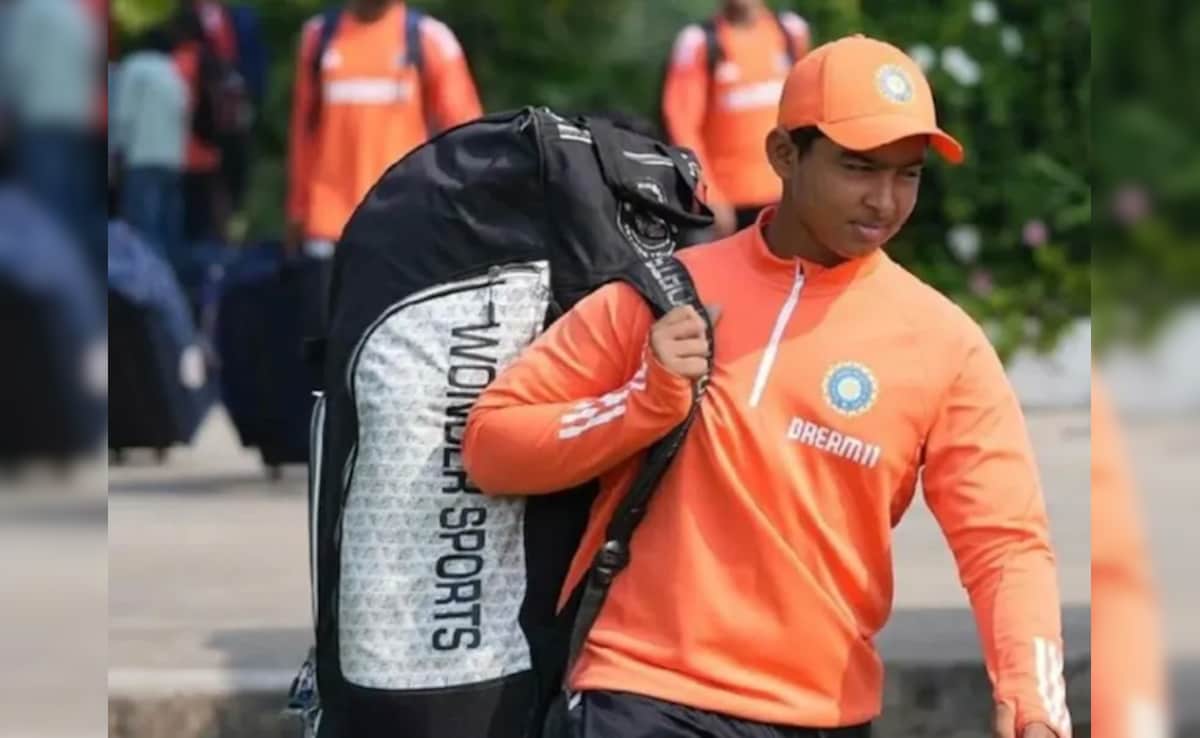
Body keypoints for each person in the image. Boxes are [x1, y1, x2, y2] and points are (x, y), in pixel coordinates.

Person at [464, 35, 1070, 738]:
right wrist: (642, 403)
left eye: (907, 175)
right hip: (640, 694)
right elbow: (491, 444)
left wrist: (1032, 697)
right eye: (857, 167)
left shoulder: (945, 344)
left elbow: (1006, 543)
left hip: (821, 715)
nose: (884, 200)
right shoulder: (667, 292)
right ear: (784, 154)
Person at [286, 0, 482, 259]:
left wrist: (460, 216)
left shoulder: (430, 39)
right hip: (328, 226)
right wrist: (297, 209)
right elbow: (303, 132)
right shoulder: (318, 36)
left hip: (404, 222)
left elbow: (465, 138)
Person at [661, 0, 810, 238]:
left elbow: (807, 111)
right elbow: (682, 125)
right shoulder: (699, 42)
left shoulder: (791, 32)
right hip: (727, 209)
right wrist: (709, 194)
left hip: (784, 198)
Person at [111, 25, 190, 264]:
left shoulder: (134, 68)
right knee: (168, 230)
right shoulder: (175, 73)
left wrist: (116, 150)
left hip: (142, 158)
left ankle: (143, 280)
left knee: (142, 230)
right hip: (172, 160)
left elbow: (123, 113)